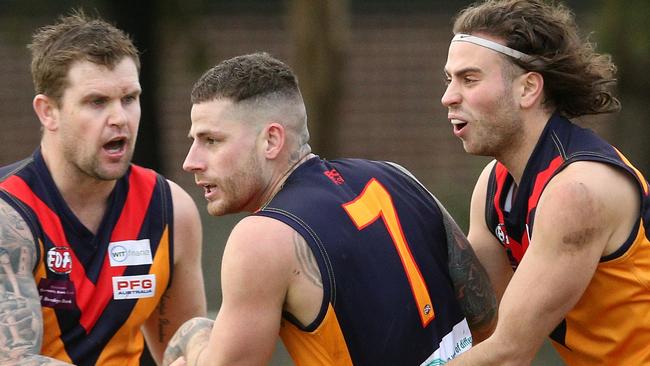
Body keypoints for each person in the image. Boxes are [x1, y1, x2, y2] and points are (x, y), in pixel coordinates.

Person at [161, 52, 496, 366]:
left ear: (271, 141)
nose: (191, 162)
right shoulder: (397, 175)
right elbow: (485, 313)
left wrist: (193, 336)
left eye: (211, 141)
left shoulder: (262, 237)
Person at [440, 0, 650, 365]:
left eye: (469, 79)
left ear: (528, 89)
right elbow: (475, 320)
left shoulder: (577, 191)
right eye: (449, 79)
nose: (448, 97)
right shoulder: (495, 183)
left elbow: (508, 353)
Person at [0, 11, 207, 365]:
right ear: (47, 112)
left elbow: (181, 344)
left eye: (129, 98)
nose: (120, 118)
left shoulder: (169, 208)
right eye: (97, 102)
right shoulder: (10, 214)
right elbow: (13, 359)